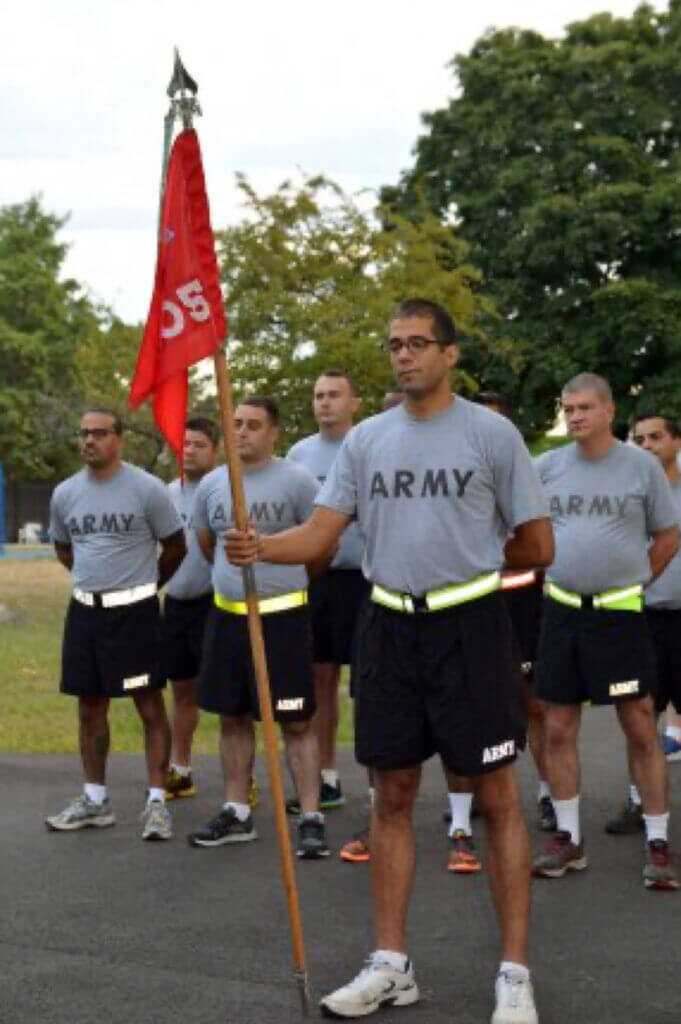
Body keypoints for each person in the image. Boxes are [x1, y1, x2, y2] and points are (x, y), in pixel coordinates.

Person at [227, 299, 553, 1023]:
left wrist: (464, 561)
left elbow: (536, 546)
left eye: (416, 343)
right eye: (394, 344)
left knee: (496, 797)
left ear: (448, 354)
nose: (403, 355)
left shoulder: (491, 435)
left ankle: (514, 974)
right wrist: (262, 548)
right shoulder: (367, 440)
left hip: (470, 629)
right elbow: (319, 534)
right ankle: (390, 963)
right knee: (392, 796)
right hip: (388, 628)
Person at [533, 375, 679, 890]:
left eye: (585, 407)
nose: (575, 416)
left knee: (641, 727)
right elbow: (520, 526)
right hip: (562, 613)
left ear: (609, 410)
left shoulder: (640, 466)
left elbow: (668, 533)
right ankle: (568, 839)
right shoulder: (545, 467)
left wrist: (639, 578)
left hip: (620, 617)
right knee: (556, 728)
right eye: (568, 407)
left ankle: (658, 843)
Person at [187, 396, 332, 859]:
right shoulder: (212, 484)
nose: (243, 432)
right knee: (231, 716)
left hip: (283, 619)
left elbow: (321, 546)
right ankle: (238, 811)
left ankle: (311, 817)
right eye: (236, 424)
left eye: (253, 425)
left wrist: (286, 581)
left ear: (274, 432)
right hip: (229, 617)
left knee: (296, 721)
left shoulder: (298, 481)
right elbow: (209, 544)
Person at [46, 408, 186, 841]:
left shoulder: (146, 489)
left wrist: (144, 585)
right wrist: (95, 582)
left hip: (136, 613)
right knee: (90, 708)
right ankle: (95, 799)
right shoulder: (66, 493)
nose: (90, 441)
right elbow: (64, 548)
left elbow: (175, 546)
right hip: (86, 612)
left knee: (149, 705)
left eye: (99, 434)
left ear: (118, 439)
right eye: (84, 434)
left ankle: (158, 802)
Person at [443, 392, 553, 875]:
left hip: (520, 598)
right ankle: (463, 819)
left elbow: (537, 541)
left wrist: (481, 549)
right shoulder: (455, 468)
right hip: (469, 602)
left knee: (533, 703)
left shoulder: (522, 470)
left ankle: (551, 793)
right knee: (462, 704)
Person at [287, 370, 366, 812]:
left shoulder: (369, 445)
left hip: (366, 579)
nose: (325, 403)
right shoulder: (299, 455)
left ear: (354, 402)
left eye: (335, 395)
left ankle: (380, 781)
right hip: (319, 578)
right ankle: (326, 774)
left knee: (369, 682)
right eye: (318, 395)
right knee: (321, 677)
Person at [605, 413, 681, 832]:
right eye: (640, 439)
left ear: (676, 441)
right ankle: (639, 802)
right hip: (643, 617)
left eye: (657, 437)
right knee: (640, 715)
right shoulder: (631, 495)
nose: (648, 445)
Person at [163, 417, 219, 800]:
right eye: (185, 444)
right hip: (177, 604)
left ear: (214, 449)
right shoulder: (167, 493)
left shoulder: (224, 489)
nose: (190, 450)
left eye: (199, 444)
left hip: (215, 604)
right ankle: (179, 769)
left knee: (233, 699)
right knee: (181, 691)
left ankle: (243, 780)